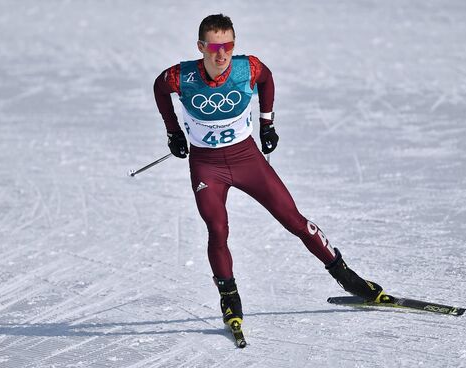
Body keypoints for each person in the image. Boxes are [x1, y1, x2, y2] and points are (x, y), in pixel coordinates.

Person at [153, 13, 384, 332]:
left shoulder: (248, 67)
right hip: (208, 166)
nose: (222, 54)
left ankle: (346, 276)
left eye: (228, 45)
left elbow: (267, 80)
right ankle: (230, 298)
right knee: (217, 230)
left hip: (247, 159)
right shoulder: (182, 76)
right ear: (201, 47)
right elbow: (159, 88)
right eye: (214, 47)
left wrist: (267, 123)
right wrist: (173, 133)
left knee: (294, 220)